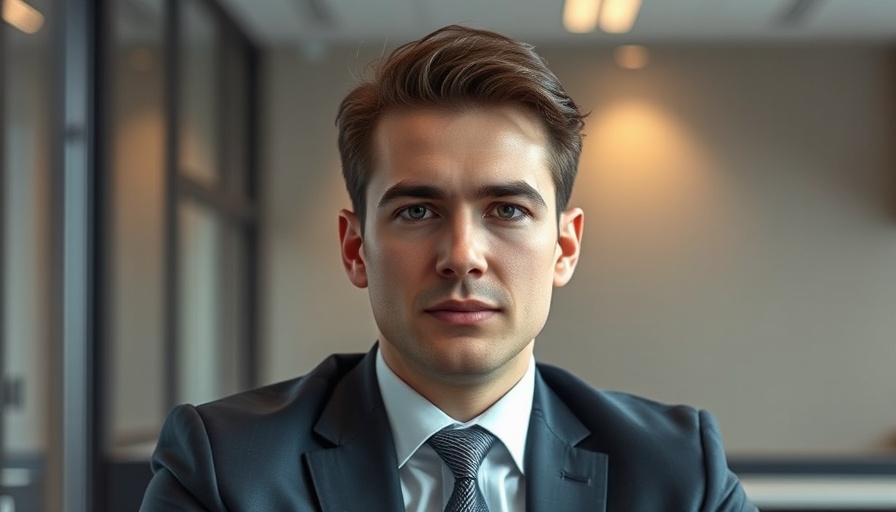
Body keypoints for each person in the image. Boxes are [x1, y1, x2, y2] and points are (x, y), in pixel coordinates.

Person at [140, 25, 757, 511]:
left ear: (565, 249)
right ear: (356, 249)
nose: (462, 255)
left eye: (508, 210)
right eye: (416, 211)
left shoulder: (678, 471)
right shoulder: (225, 469)